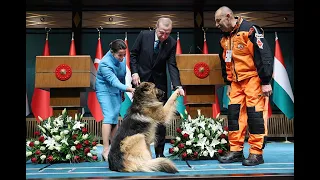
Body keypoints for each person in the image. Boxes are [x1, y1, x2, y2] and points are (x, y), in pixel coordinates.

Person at [214, 6, 273, 166]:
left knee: (255, 116)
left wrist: (266, 81)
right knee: (234, 117)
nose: (216, 25)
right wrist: (228, 82)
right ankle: (235, 151)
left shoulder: (250, 30)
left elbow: (264, 54)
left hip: (253, 80)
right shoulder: (224, 38)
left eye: (218, 21)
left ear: (228, 16)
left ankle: (256, 153)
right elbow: (224, 62)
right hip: (235, 83)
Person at [130, 17, 185, 158]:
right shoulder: (144, 35)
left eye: (167, 33)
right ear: (156, 27)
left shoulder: (171, 42)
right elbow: (134, 54)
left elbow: (172, 65)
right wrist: (134, 72)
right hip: (141, 83)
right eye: (162, 33)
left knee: (160, 120)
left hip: (159, 86)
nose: (164, 36)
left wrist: (177, 85)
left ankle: (159, 153)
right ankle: (139, 152)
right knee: (139, 118)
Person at [95, 39, 135, 161]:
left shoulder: (121, 59)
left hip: (117, 90)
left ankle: (114, 148)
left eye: (124, 55)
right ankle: (105, 149)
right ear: (112, 52)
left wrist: (122, 92)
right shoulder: (105, 63)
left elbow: (121, 76)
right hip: (104, 91)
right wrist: (130, 89)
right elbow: (113, 81)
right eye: (120, 55)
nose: (123, 58)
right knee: (109, 116)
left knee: (114, 117)